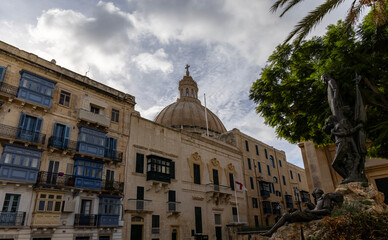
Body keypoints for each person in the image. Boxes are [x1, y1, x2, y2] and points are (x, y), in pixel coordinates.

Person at [261, 189, 343, 237]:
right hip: (312, 214)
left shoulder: (325, 197)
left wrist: (311, 211)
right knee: (291, 214)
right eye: (314, 195)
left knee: (288, 215)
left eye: (316, 194)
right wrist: (311, 207)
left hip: (314, 216)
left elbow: (326, 211)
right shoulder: (318, 201)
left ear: (319, 193)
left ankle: (270, 232)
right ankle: (280, 226)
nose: (315, 196)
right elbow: (316, 208)